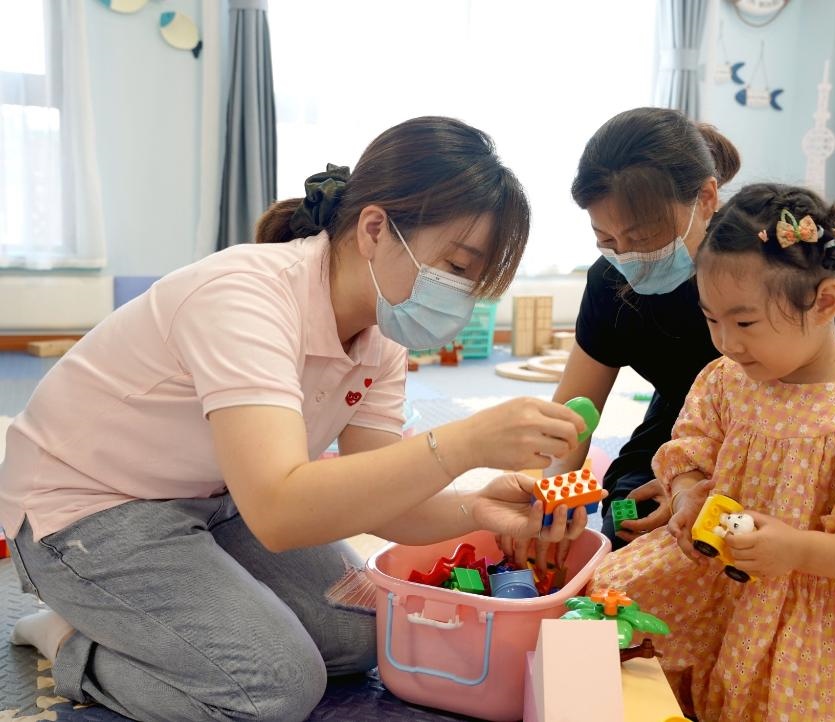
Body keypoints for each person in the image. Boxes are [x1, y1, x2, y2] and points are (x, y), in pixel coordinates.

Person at [0, 116, 592, 722]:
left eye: (476, 282)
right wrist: (465, 443)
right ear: (375, 229)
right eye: (457, 267)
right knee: (274, 689)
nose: (463, 297)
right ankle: (72, 642)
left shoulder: (381, 335)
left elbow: (376, 497)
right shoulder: (245, 297)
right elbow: (280, 513)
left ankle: (149, 617)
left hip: (218, 498)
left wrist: (478, 508)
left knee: (374, 630)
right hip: (85, 509)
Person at [588, 183, 835, 721]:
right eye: (712, 319)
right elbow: (690, 448)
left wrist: (796, 549)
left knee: (783, 702)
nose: (726, 342)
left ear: (825, 302)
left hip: (807, 604)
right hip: (709, 574)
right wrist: (686, 493)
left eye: (745, 322)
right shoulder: (726, 379)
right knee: (602, 604)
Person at [548, 108, 835, 549]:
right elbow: (575, 414)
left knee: (762, 542)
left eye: (643, 238)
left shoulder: (788, 266)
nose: (626, 255)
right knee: (631, 529)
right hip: (682, 428)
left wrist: (719, 485)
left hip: (791, 430)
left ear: (706, 198)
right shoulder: (610, 282)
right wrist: (554, 498)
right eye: (606, 239)